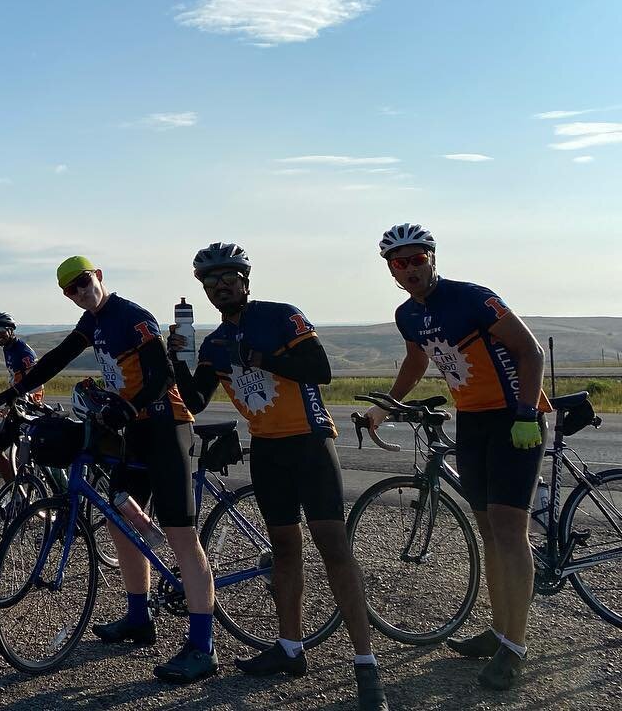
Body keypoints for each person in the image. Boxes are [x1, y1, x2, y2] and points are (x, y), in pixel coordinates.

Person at [169, 243, 389, 711]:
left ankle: (366, 664)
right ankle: (291, 649)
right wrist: (174, 363)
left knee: (333, 549)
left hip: (310, 442)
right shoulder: (212, 344)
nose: (220, 287)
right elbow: (196, 400)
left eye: (228, 278)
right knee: (284, 549)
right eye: (210, 282)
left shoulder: (280, 317)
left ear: (246, 281)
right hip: (267, 449)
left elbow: (320, 370)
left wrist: (260, 357)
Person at [0, 255, 218, 685]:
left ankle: (202, 646)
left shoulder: (130, 316)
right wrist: (14, 390)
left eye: (83, 282)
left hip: (167, 424)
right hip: (133, 428)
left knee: (181, 534)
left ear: (98, 276)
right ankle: (138, 617)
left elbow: (162, 372)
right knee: (118, 519)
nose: (79, 292)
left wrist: (129, 405)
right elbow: (59, 356)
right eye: (70, 290)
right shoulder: (92, 322)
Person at [363, 223, 549, 692]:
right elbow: (417, 361)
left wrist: (526, 413)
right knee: (488, 530)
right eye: (398, 262)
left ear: (431, 256)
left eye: (416, 258)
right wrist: (384, 406)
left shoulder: (473, 298)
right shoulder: (408, 314)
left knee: (509, 532)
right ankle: (500, 628)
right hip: (472, 422)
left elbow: (529, 352)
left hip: (513, 418)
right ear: (390, 269)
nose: (409, 269)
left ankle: (516, 647)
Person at [0, 311, 42, 482]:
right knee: (19, 454)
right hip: (18, 404)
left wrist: (12, 402)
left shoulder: (22, 351)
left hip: (26, 406)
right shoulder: (9, 349)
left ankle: (15, 491)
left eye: (1, 332)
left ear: (11, 329)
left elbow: (34, 382)